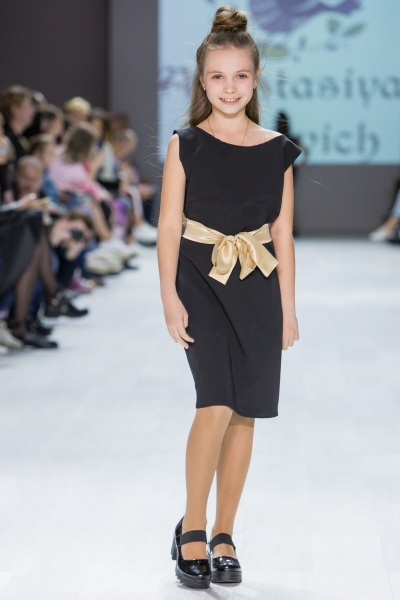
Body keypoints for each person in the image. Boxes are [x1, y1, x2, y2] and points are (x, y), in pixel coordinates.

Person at [157, 6, 301, 590]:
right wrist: (169, 297)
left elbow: (282, 232)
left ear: (256, 78)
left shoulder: (277, 149)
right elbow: (169, 225)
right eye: (218, 76)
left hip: (256, 284)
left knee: (246, 412)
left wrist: (288, 309)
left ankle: (224, 533)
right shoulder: (186, 145)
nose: (230, 87)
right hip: (199, 278)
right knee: (215, 401)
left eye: (240, 75)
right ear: (202, 80)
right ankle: (192, 527)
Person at [0, 86, 35, 163]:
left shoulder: (21, 139)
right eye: (29, 106)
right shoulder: (3, 138)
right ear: (14, 109)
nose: (33, 111)